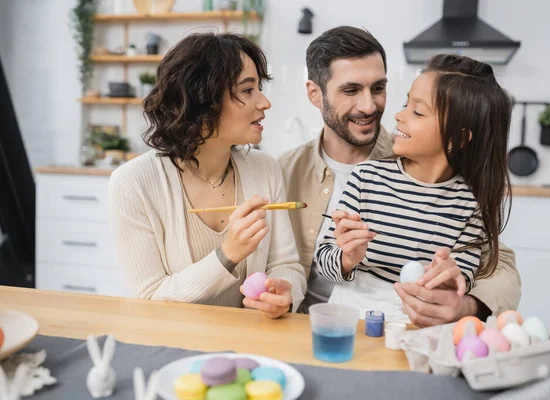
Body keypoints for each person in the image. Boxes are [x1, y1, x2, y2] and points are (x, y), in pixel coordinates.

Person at [278, 26, 521, 326]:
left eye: (378, 88)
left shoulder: (464, 197)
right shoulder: (285, 173)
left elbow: (496, 267)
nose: (371, 106)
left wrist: (460, 296)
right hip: (323, 326)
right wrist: (344, 258)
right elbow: (283, 264)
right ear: (315, 94)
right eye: (351, 90)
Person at [108, 33, 306, 318]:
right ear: (204, 100)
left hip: (251, 344)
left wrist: (284, 294)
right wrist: (227, 255)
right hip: (174, 346)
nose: (264, 103)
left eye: (258, 89)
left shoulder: (265, 169)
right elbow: (148, 299)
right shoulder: (133, 183)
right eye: (247, 90)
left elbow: (287, 264)